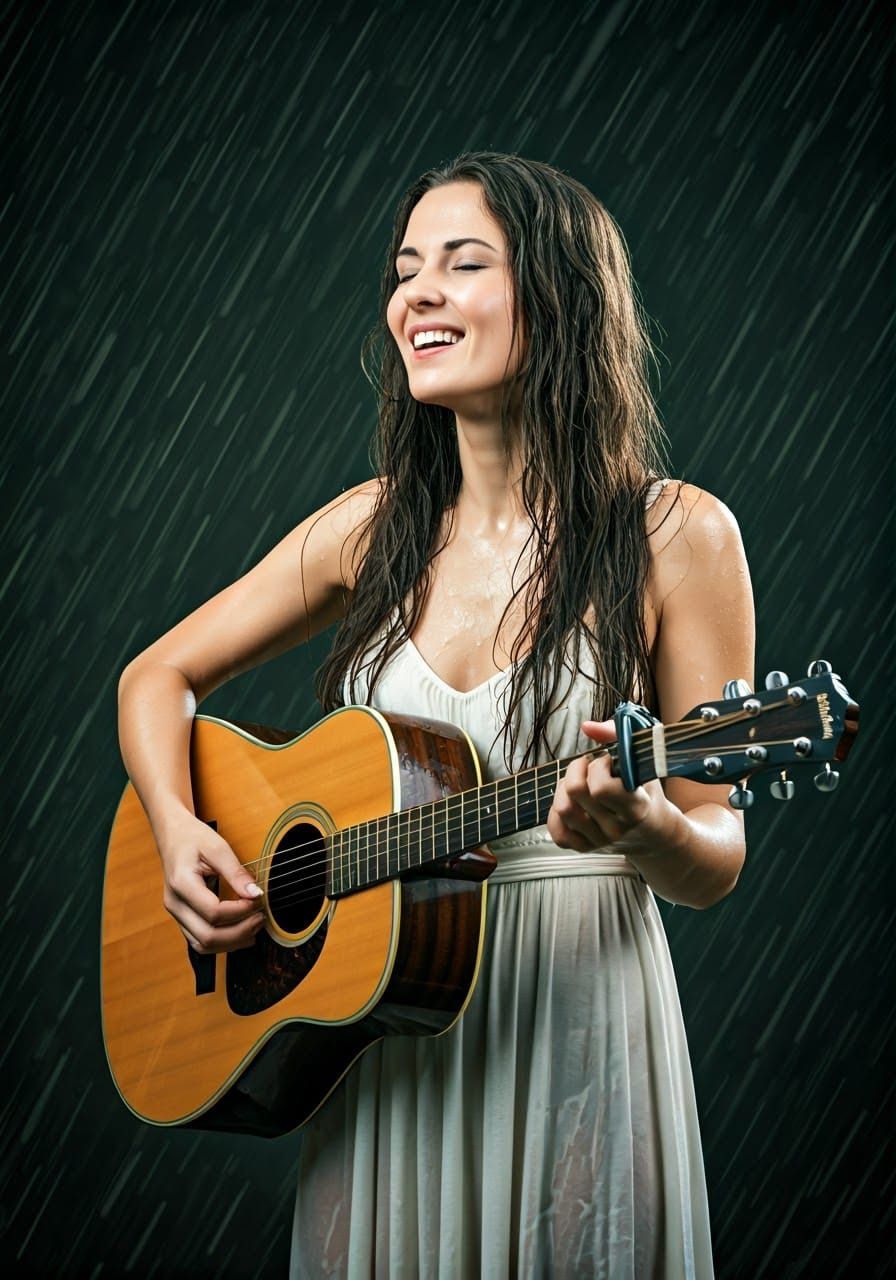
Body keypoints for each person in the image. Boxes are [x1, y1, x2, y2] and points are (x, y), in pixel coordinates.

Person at [117, 152, 754, 1278]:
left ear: (558, 297)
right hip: (385, 1032)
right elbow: (153, 677)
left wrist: (645, 827)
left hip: (572, 1021)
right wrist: (181, 832)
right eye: (405, 268)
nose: (415, 293)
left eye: (462, 264)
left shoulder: (675, 534)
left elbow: (716, 849)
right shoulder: (368, 530)